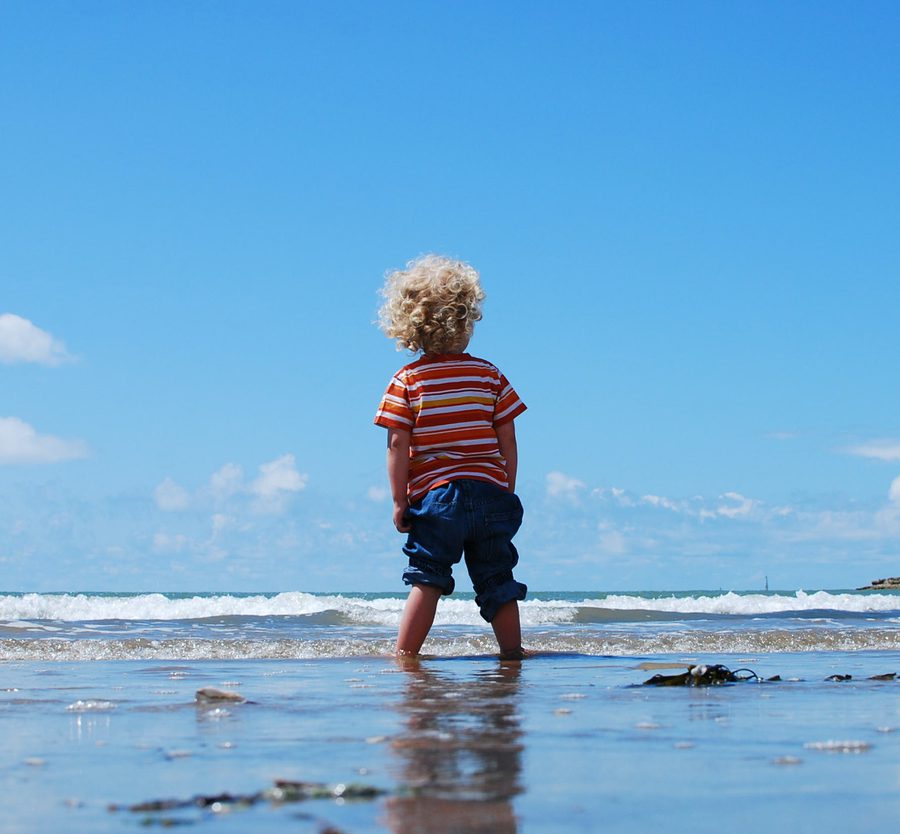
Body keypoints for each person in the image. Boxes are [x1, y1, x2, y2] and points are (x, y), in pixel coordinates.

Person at [374, 254, 528, 659]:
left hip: (437, 499)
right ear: (467, 320)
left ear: (411, 326)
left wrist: (399, 501)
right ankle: (512, 654)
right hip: (491, 495)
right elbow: (507, 436)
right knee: (498, 578)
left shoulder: (407, 381)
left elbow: (397, 445)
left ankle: (406, 656)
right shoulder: (489, 375)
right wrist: (505, 485)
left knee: (427, 578)